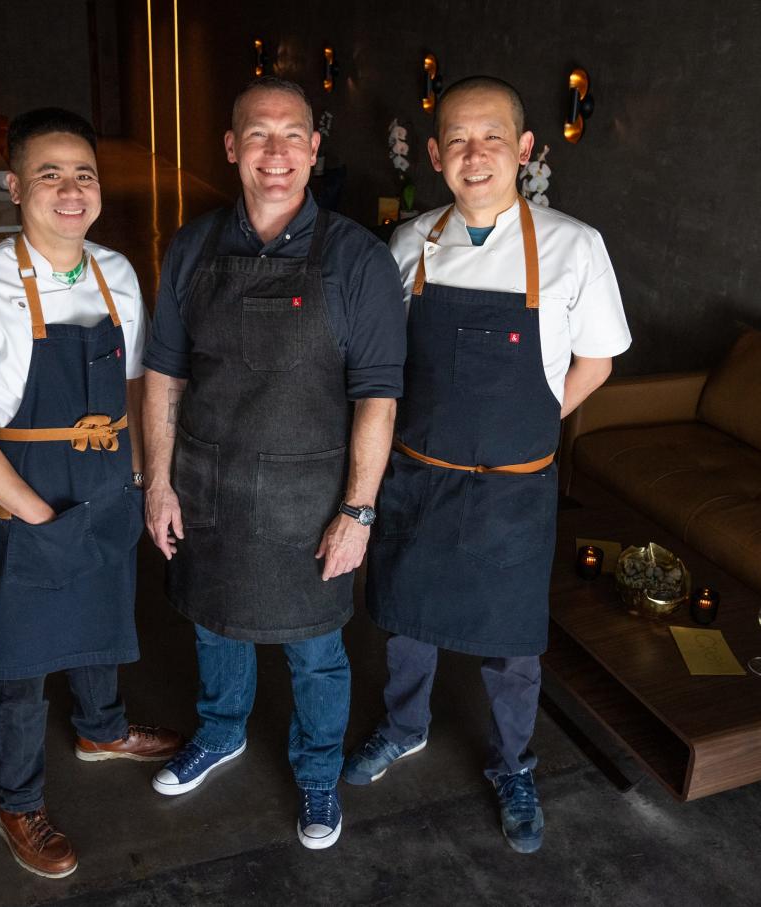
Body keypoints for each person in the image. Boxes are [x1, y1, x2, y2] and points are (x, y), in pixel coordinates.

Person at [345, 77, 631, 854]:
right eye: (459, 141)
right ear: (435, 155)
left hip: (514, 485)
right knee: (406, 619)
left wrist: (531, 424)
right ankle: (404, 724)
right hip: (419, 473)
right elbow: (382, 366)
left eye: (493, 138)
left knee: (512, 644)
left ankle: (512, 764)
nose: (476, 156)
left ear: (524, 150)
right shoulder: (408, 243)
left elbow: (597, 361)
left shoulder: (574, 245)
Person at [142, 76, 405, 850]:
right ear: (231, 147)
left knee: (315, 649)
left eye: (293, 134)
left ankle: (318, 773)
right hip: (208, 479)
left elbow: (377, 400)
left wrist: (357, 511)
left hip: (308, 492)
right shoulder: (191, 247)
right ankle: (220, 730)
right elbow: (164, 374)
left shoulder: (358, 260)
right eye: (257, 134)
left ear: (315, 148)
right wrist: (156, 481)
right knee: (215, 624)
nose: (276, 152)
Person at [0, 107, 182, 879]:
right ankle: (16, 798)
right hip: (28, 488)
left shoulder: (118, 272)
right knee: (21, 654)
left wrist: (136, 477)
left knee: (104, 609)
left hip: (106, 477)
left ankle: (101, 728)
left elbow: (136, 386)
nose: (71, 190)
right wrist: (39, 519)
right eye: (49, 173)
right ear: (14, 186)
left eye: (84, 174)